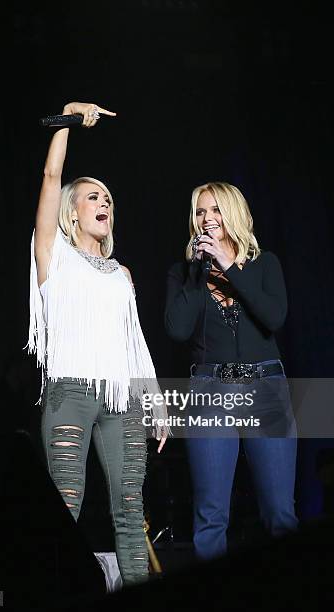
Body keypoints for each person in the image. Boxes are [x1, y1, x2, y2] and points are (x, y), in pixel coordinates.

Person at [26, 101, 167, 586]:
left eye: (107, 197)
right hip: (71, 393)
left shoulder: (121, 273)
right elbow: (50, 176)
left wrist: (155, 400)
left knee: (130, 510)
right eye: (92, 197)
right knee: (64, 507)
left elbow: (134, 342)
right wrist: (66, 121)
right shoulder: (53, 256)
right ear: (71, 211)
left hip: (122, 397)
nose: (104, 202)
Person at [165, 182, 298, 560]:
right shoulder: (183, 273)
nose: (207, 219)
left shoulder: (264, 264)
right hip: (210, 389)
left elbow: (273, 317)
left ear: (234, 213)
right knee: (210, 517)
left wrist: (229, 266)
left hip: (265, 388)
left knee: (279, 512)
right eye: (200, 212)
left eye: (215, 210)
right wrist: (197, 273)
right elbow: (176, 329)